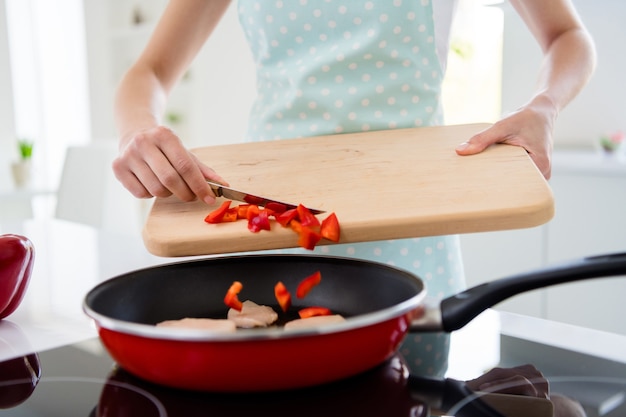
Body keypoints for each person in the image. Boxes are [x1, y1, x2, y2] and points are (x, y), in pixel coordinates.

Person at [112, 0, 595, 379]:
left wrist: (545, 106)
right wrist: (137, 131)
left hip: (416, 227)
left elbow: (568, 36)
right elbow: (148, 71)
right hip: (276, 226)